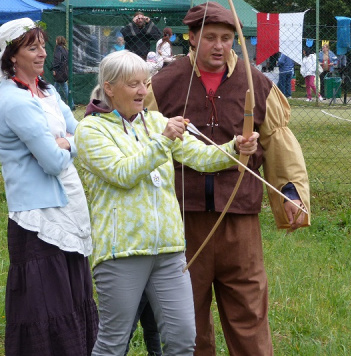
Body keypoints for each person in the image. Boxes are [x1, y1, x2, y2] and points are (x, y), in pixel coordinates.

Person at [144, 1, 310, 356]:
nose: (219, 46)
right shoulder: (164, 84)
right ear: (191, 38)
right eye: (210, 38)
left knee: (249, 314)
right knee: (189, 322)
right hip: (183, 221)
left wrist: (291, 194)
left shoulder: (256, 82)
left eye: (227, 38)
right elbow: (144, 146)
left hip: (240, 222)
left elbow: (279, 144)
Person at [74, 49, 259, 355]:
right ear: (109, 87)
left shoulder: (155, 120)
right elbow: (123, 173)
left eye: (145, 83)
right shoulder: (91, 130)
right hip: (123, 249)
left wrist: (234, 146)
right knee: (113, 342)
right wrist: (163, 140)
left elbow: (200, 157)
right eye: (133, 84)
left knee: (184, 339)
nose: (143, 91)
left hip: (170, 250)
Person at [0, 18, 98, 356]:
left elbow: (81, 133)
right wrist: (66, 144)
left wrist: (64, 141)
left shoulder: (47, 92)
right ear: (12, 57)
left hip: (66, 206)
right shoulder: (14, 101)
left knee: (71, 296)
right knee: (47, 304)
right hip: (37, 217)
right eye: (32, 47)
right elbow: (51, 161)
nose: (41, 53)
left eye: (42, 45)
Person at [51, 36, 70, 103]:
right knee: (58, 86)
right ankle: (54, 101)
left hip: (59, 71)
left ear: (58, 41)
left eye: (56, 40)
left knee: (63, 87)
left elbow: (57, 60)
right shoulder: (65, 49)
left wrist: (54, 69)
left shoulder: (58, 49)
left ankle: (71, 103)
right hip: (64, 71)